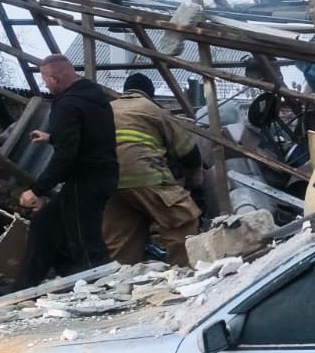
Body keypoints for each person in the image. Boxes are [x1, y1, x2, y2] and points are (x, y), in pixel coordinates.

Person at [17, 55, 118, 287]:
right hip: (103, 176)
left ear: (54, 78)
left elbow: (66, 156)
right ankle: (24, 286)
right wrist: (53, 137)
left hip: (85, 180)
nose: (45, 85)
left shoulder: (66, 105)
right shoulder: (94, 97)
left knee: (85, 242)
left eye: (45, 80)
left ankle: (104, 289)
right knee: (45, 222)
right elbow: (89, 138)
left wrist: (37, 189)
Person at [102, 73, 204, 267]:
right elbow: (188, 152)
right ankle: (185, 274)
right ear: (150, 93)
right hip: (145, 175)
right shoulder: (154, 110)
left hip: (107, 181)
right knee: (182, 221)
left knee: (121, 240)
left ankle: (120, 284)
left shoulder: (106, 109)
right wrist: (193, 181)